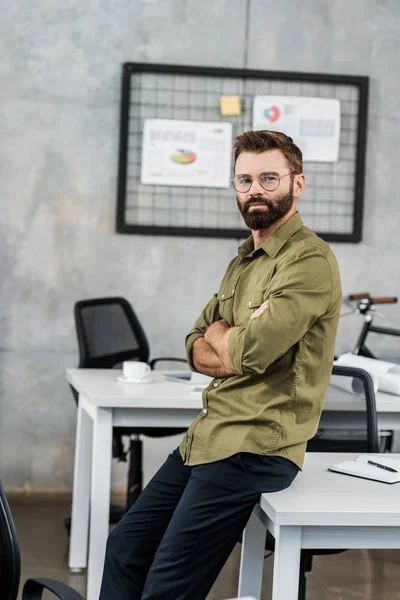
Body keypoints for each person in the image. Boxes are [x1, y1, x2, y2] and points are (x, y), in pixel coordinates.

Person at [99, 130, 342, 600]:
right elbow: (194, 343)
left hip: (256, 446)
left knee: (167, 586)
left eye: (269, 178)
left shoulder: (309, 261)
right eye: (245, 180)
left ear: (298, 184)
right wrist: (228, 339)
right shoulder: (244, 259)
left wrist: (228, 339)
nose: (256, 190)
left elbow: (253, 351)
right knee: (124, 548)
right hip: (208, 435)